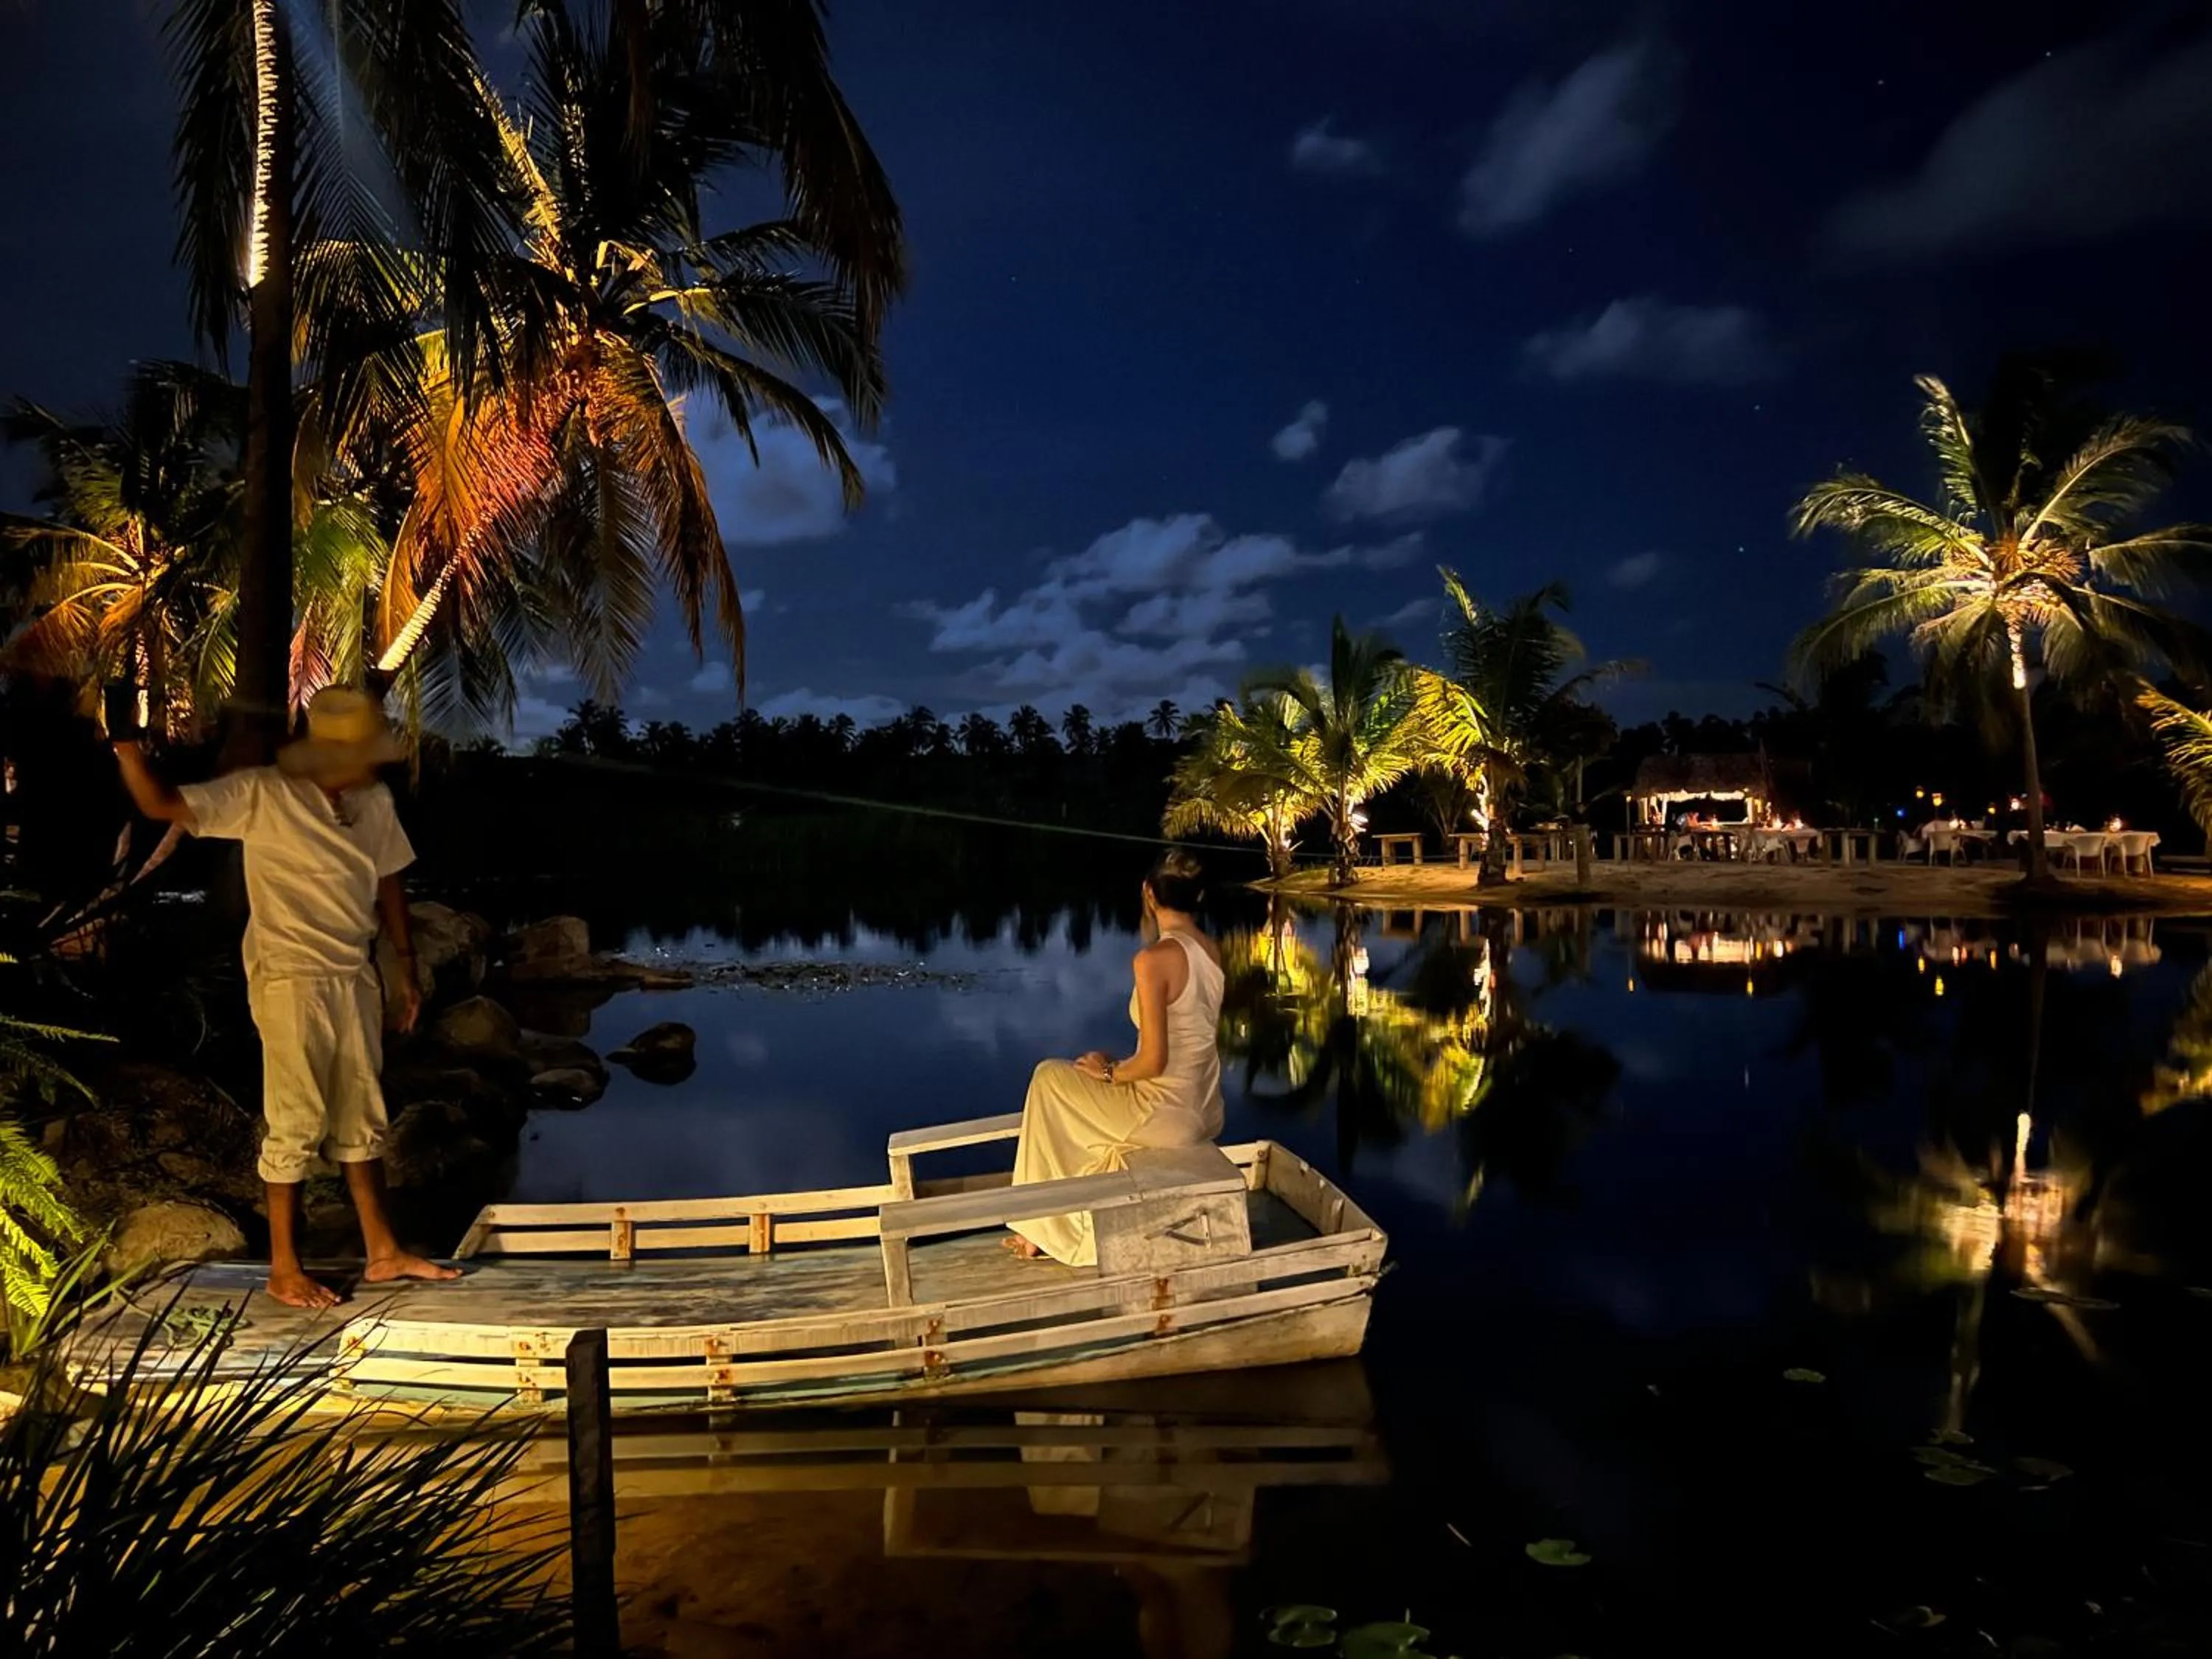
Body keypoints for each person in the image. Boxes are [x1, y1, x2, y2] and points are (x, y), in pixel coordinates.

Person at [111, 686, 460, 1309]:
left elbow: (389, 879)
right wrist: (127, 748)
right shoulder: (263, 793)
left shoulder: (372, 801)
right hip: (289, 975)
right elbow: (162, 804)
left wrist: (404, 967)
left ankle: (382, 1251)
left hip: (353, 972)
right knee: (295, 1116)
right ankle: (283, 1268)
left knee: (362, 1114)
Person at [1006, 849, 1225, 1265]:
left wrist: (1109, 1072)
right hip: (1203, 1105)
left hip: (1164, 1112)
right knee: (1085, 1105)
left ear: (1148, 894)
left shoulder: (1153, 960)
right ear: (1198, 896)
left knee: (1048, 1079)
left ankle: (1036, 1228)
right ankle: (1066, 1220)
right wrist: (1120, 1066)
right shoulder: (1211, 950)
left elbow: (1155, 1062)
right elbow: (1183, 1045)